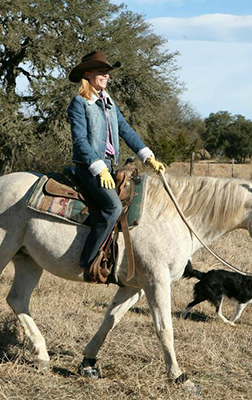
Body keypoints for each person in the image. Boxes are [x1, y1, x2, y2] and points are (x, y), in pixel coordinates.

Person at [66, 50, 166, 281]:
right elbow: (80, 140)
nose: (106, 76)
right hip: (89, 167)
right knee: (112, 207)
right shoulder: (79, 103)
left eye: (107, 73)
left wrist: (147, 156)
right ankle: (88, 262)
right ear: (88, 74)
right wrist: (99, 167)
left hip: (110, 167)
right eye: (101, 72)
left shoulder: (109, 104)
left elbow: (126, 131)